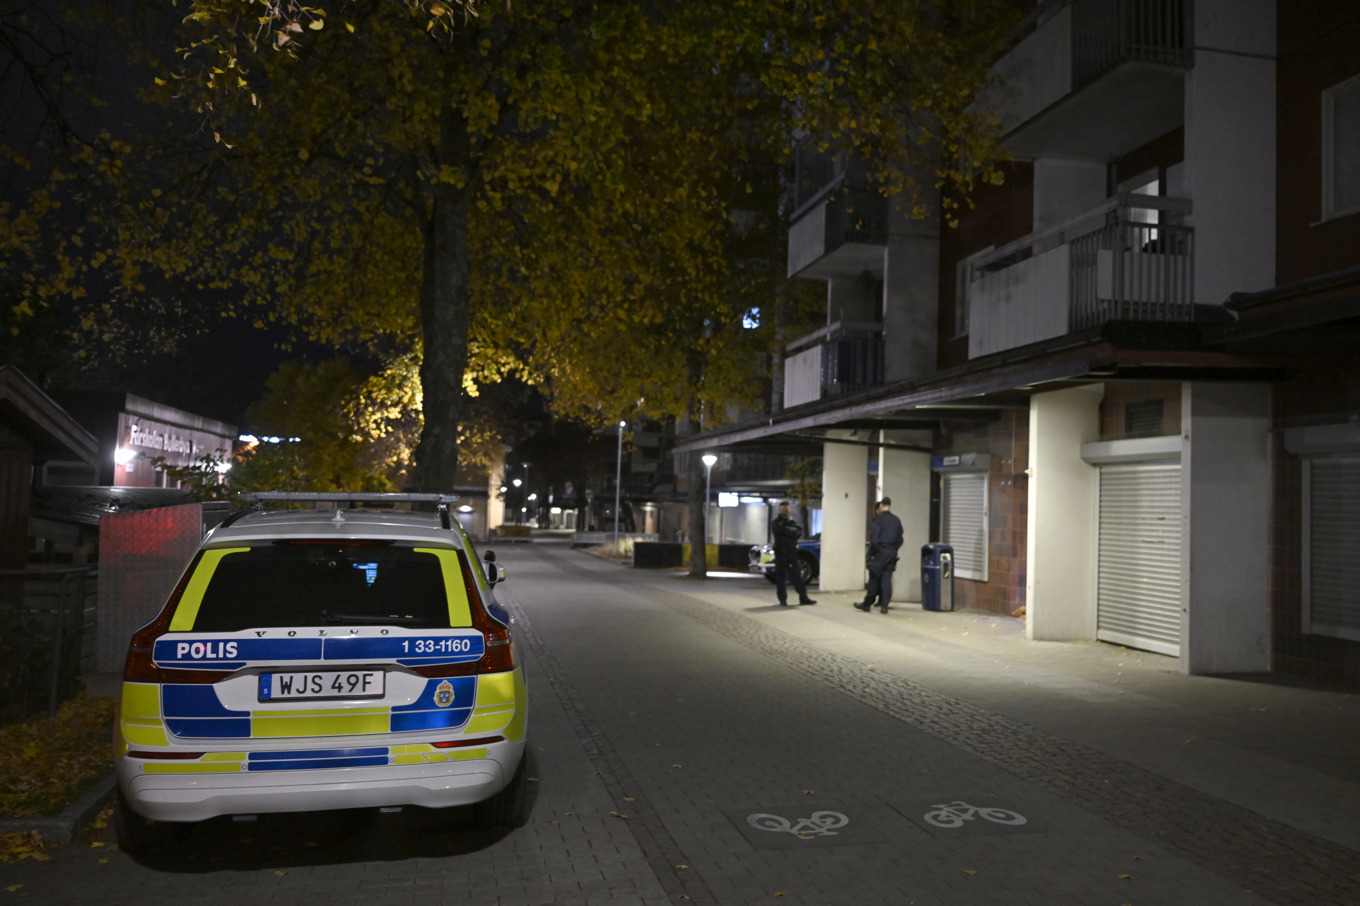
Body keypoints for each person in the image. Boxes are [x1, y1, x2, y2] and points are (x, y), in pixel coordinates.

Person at [856, 497, 903, 614]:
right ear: (890, 506)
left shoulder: (878, 519)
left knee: (874, 578)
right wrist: (893, 549)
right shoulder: (896, 520)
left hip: (880, 552)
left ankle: (867, 604)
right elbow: (900, 539)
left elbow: (875, 539)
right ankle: (884, 605)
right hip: (892, 552)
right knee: (887, 579)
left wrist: (872, 553)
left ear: (881, 506)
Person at [772, 501, 816, 606]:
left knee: (797, 576)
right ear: (780, 509)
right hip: (781, 554)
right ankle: (782, 600)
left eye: (787, 508)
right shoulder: (776, 522)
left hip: (791, 553)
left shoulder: (792, 521)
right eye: (783, 508)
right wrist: (791, 532)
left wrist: (788, 531)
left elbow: (798, 532)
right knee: (781, 577)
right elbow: (782, 530)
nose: (785, 510)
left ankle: (803, 598)